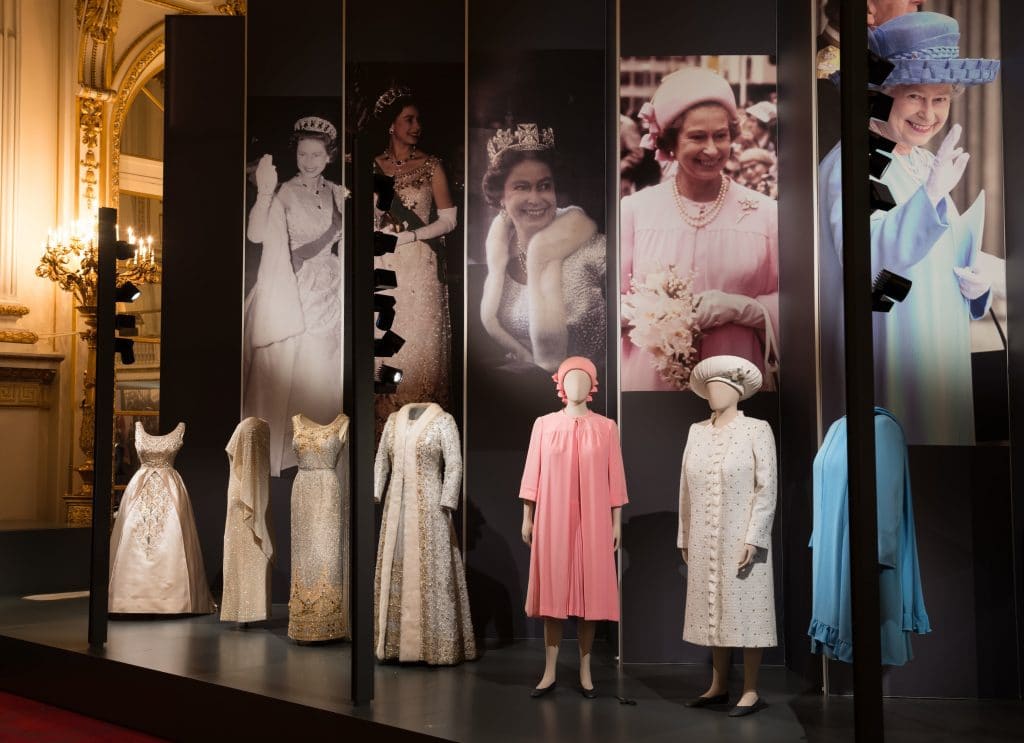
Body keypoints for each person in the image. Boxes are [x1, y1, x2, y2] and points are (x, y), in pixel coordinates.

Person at [818, 12, 1000, 445]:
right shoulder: (852, 162)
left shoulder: (919, 162)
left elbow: (940, 251)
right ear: (880, 96)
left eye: (940, 100)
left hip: (939, 357)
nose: (928, 113)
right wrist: (929, 197)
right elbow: (872, 257)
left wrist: (979, 288)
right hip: (894, 363)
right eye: (915, 96)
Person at [621, 66, 779, 392]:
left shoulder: (765, 213)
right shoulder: (634, 211)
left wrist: (743, 309)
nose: (711, 149)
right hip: (652, 383)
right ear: (670, 142)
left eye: (720, 136)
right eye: (697, 136)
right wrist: (654, 311)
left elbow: (795, 305)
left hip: (737, 381)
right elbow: (609, 303)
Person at [519, 357, 627, 698]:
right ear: (560, 385)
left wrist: (616, 522)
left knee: (590, 593)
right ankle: (549, 670)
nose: (575, 385)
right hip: (552, 515)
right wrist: (527, 515)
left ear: (592, 385)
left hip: (594, 517)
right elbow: (532, 473)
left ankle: (585, 670)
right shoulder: (544, 424)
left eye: (583, 380)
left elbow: (615, 478)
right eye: (570, 379)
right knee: (553, 591)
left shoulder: (607, 427)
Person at [243, 115, 345, 476]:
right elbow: (256, 235)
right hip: (294, 286)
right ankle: (282, 453)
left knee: (324, 372)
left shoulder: (338, 193)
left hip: (331, 287)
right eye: (304, 154)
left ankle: (321, 453)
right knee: (290, 371)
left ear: (329, 156)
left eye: (317, 154)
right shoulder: (285, 191)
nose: (310, 161)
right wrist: (265, 191)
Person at [678, 356, 777, 717]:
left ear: (737, 392)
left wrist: (755, 537)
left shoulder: (757, 430)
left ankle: (750, 689)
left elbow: (766, 488)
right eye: (709, 389)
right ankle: (718, 686)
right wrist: (685, 536)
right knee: (713, 610)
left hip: (742, 536)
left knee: (748, 612)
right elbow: (685, 489)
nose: (713, 395)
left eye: (721, 387)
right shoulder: (696, 431)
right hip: (705, 535)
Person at [480, 124, 606, 373]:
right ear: (500, 198)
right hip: (524, 393)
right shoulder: (500, 259)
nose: (536, 198)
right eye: (521, 187)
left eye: (544, 186)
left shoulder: (594, 250)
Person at [372, 87, 458, 432]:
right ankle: (385, 431)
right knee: (387, 347)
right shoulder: (372, 166)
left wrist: (411, 235)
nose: (416, 125)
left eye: (418, 119)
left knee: (420, 347)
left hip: (420, 267)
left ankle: (423, 431)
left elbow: (450, 220)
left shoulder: (431, 165)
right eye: (408, 119)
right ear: (391, 125)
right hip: (384, 266)